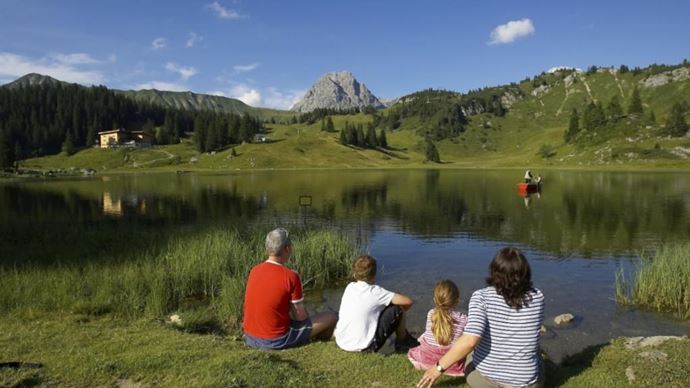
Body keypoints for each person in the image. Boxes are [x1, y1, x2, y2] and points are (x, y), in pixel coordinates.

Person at [417, 247, 545, 388]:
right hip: (527, 384)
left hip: (484, 382)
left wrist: (437, 368)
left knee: (472, 351)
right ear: (525, 272)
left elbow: (470, 341)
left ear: (494, 271)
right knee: (537, 352)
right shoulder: (538, 297)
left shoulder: (482, 297)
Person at [243, 228, 337, 350]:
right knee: (331, 316)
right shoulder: (291, 276)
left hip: (250, 337)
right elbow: (300, 317)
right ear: (287, 249)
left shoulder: (254, 270)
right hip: (275, 340)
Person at [334, 255, 419, 353]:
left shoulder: (350, 287)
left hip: (342, 342)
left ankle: (403, 338)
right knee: (397, 309)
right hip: (364, 348)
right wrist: (399, 315)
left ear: (354, 274)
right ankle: (402, 340)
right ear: (373, 275)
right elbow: (408, 301)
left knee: (380, 308)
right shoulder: (375, 291)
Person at [408, 280, 467, 376]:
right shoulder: (463, 319)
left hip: (426, 359)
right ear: (457, 300)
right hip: (451, 365)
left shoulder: (431, 313)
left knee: (424, 336)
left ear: (435, 300)